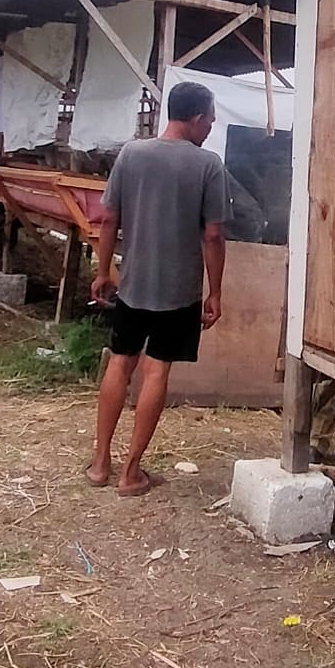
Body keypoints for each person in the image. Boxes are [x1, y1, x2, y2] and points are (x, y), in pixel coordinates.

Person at [88, 80, 228, 497]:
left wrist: (102, 270)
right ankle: (131, 473)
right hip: (180, 291)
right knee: (157, 370)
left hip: (133, 285)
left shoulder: (131, 153)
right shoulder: (209, 165)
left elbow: (108, 218)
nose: (212, 125)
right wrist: (215, 291)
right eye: (210, 119)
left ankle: (100, 463)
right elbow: (214, 235)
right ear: (197, 118)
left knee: (119, 363)